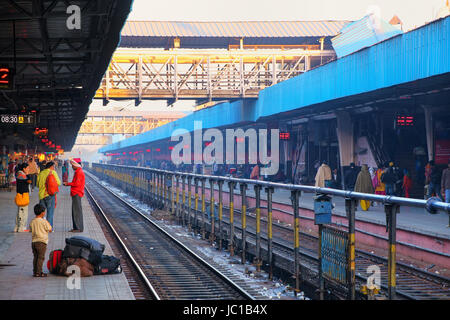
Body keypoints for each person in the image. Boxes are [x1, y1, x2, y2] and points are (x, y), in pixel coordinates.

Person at [29, 204, 52, 277]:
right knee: (41, 258)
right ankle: (39, 272)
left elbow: (31, 229)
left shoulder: (32, 221)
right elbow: (50, 229)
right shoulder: (43, 221)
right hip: (42, 242)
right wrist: (47, 221)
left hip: (34, 242)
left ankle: (35, 271)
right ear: (42, 213)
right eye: (44, 212)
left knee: (35, 257)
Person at [64, 158, 85, 232]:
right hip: (76, 193)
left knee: (76, 211)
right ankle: (76, 227)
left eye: (73, 165)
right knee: (75, 210)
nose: (72, 167)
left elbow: (77, 183)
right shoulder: (78, 171)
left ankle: (78, 228)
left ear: (76, 165)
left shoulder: (79, 172)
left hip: (77, 193)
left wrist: (67, 184)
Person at [37, 161, 61, 229]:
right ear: (51, 167)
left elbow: (37, 184)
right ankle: (49, 228)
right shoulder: (52, 172)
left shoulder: (41, 173)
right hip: (50, 195)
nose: (54, 168)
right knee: (50, 213)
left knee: (41, 213)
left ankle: (41, 228)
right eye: (54, 167)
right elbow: (58, 183)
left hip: (41, 196)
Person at [14, 163, 31, 232]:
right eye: (27, 168)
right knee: (23, 212)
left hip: (20, 195)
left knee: (19, 211)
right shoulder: (22, 175)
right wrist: (27, 174)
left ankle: (17, 227)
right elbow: (29, 181)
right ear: (24, 168)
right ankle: (21, 227)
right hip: (23, 196)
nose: (28, 169)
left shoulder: (19, 174)